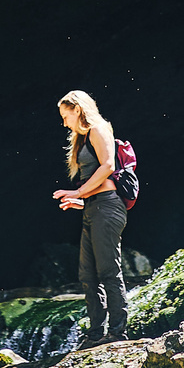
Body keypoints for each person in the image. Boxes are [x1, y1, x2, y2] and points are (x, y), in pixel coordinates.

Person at [53, 90, 129, 347]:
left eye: (66, 116)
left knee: (108, 271)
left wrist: (78, 192)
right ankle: (95, 333)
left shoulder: (98, 128)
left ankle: (118, 332)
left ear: (78, 109)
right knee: (87, 274)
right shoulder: (82, 138)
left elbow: (108, 166)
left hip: (107, 207)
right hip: (93, 208)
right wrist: (81, 201)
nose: (65, 123)